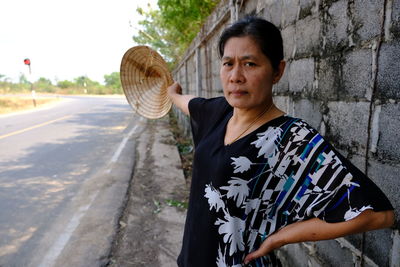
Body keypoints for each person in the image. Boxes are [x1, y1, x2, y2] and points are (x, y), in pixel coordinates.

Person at [167, 16, 395, 267]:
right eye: (227, 63)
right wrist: (170, 92)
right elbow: (185, 102)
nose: (235, 76)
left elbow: (378, 216)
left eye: (250, 64)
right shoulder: (217, 111)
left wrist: (280, 238)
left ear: (277, 71)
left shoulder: (292, 140)